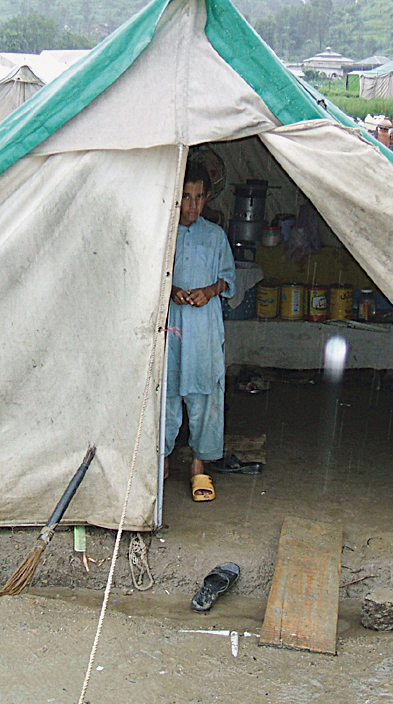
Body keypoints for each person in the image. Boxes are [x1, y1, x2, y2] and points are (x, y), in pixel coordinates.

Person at [164, 162, 235, 501]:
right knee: (166, 393)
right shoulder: (163, 233)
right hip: (172, 328)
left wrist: (209, 290)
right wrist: (171, 290)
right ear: (174, 197)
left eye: (198, 198)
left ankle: (198, 466)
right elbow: (151, 277)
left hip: (204, 329)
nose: (191, 206)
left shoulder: (215, 236)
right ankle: (161, 459)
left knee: (205, 396)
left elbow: (228, 278)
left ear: (207, 198)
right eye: (185, 197)